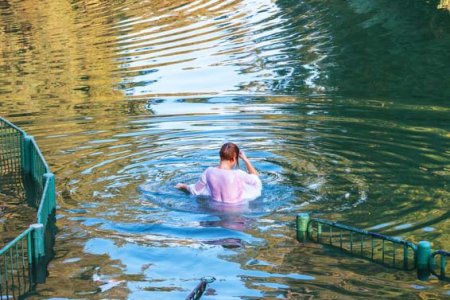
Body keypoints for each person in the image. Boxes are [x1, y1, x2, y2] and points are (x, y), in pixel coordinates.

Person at [176, 142, 262, 204]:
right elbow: (256, 178)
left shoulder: (208, 172)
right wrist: (245, 159)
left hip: (214, 211)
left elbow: (195, 190)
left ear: (220, 156)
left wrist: (184, 186)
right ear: (233, 159)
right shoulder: (238, 174)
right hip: (237, 211)